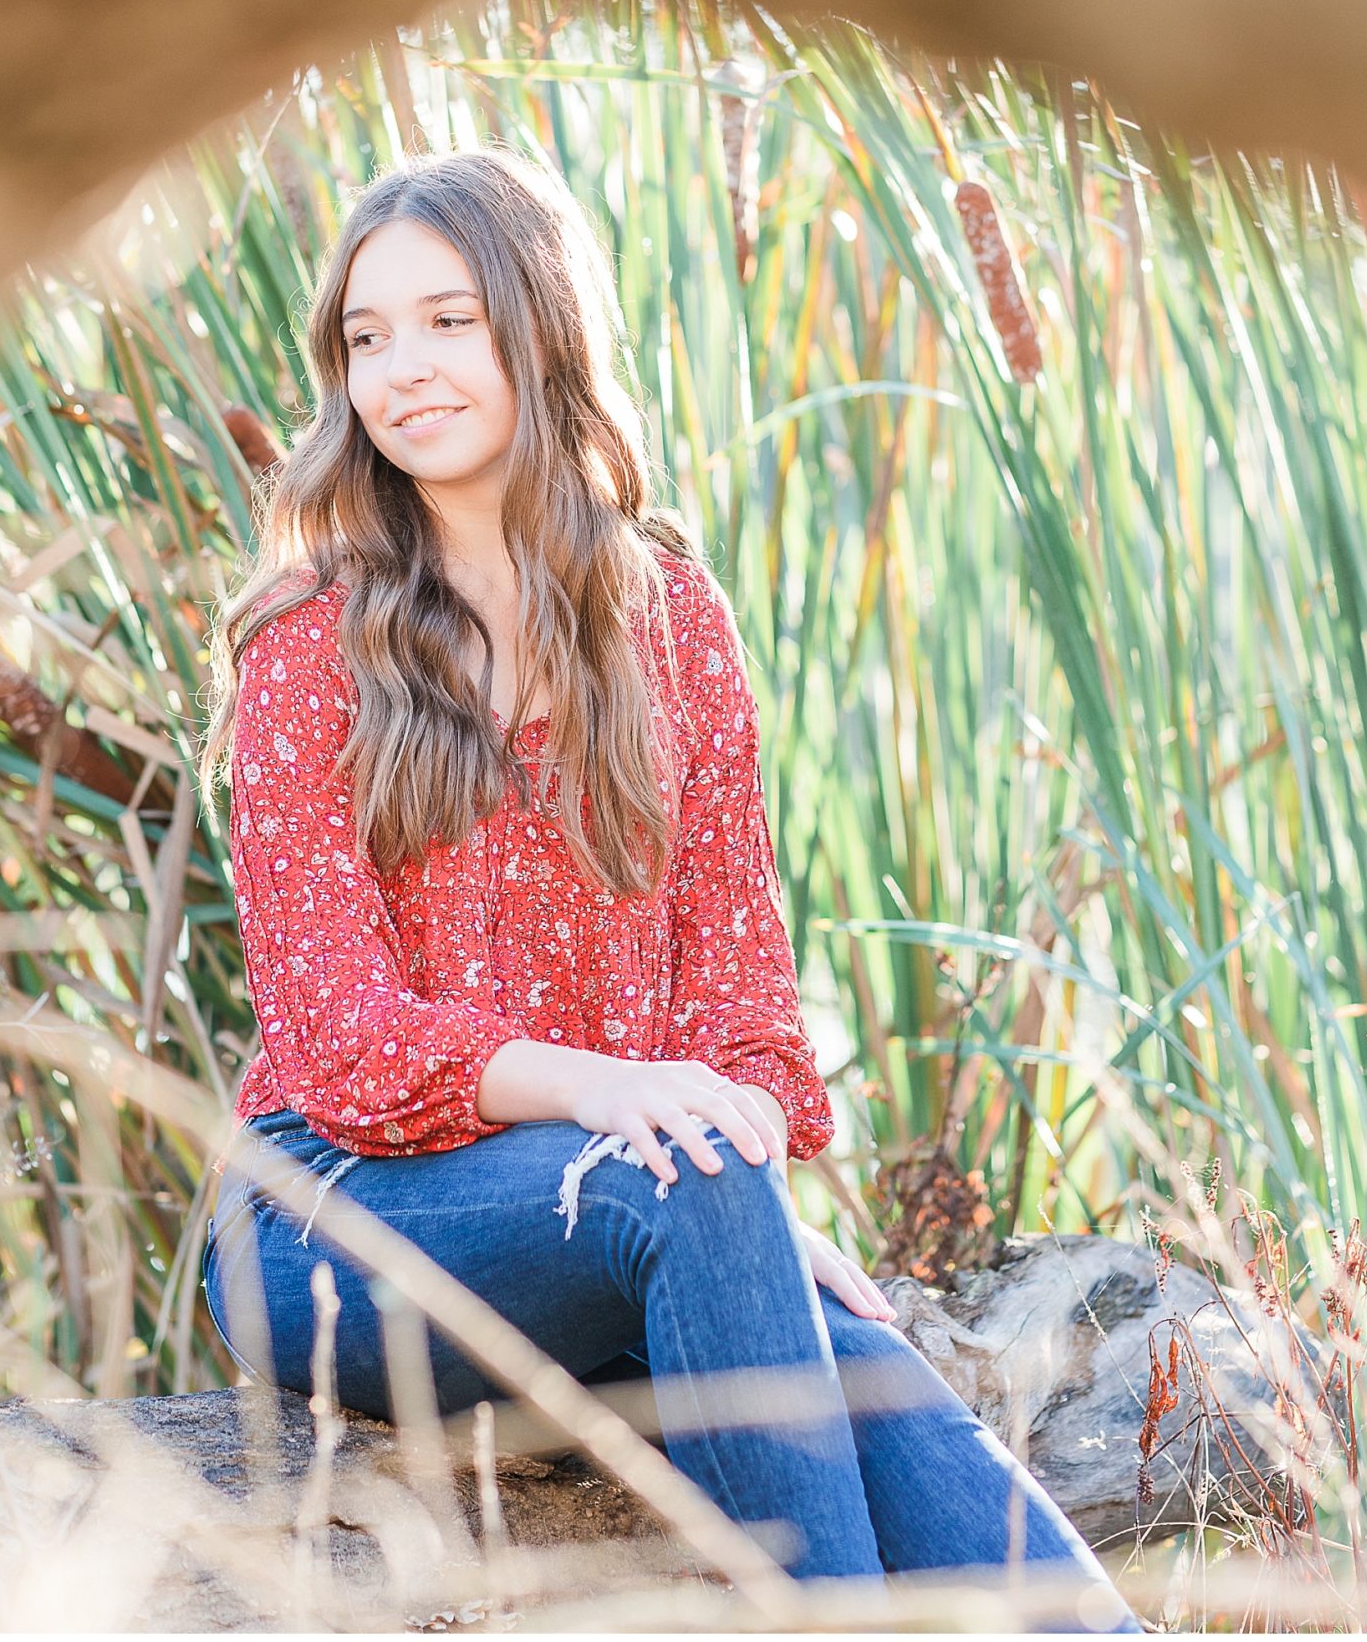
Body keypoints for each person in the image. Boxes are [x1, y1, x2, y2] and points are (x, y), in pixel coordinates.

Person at [201, 146, 1136, 1621]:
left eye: (448, 320)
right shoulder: (311, 643)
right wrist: (617, 1109)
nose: (402, 371)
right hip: (332, 1232)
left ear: (541, 324)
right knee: (691, 1193)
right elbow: (342, 1047)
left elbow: (750, 1025)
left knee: (914, 1435)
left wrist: (740, 1213)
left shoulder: (675, 625)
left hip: (627, 1210)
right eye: (367, 340)